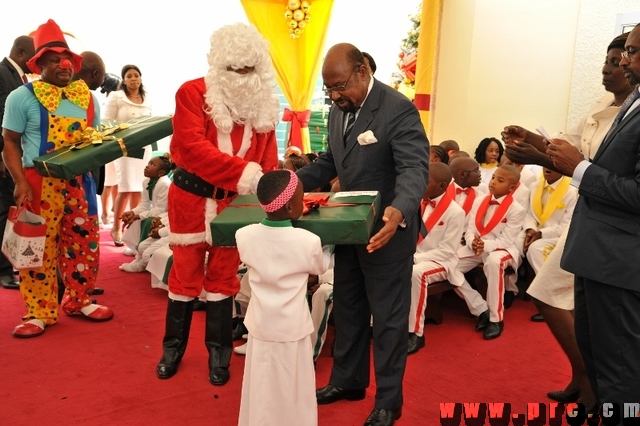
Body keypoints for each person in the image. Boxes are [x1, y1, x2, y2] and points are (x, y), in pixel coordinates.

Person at [296, 43, 429, 426]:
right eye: (329, 90)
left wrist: (400, 209)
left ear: (362, 70)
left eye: (340, 86)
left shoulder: (397, 108)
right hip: (351, 229)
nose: (336, 96)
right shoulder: (340, 110)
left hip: (388, 231)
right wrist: (290, 183)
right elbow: (329, 161)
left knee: (387, 320)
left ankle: (389, 401)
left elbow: (414, 169)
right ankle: (348, 381)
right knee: (350, 310)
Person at [501, 32, 633, 411]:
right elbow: (565, 149)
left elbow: (587, 166)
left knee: (610, 336)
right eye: (609, 61)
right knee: (573, 308)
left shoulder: (629, 114)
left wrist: (559, 160)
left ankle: (598, 387)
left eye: (620, 59)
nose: (611, 69)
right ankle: (585, 376)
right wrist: (533, 143)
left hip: (612, 230)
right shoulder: (601, 106)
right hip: (589, 222)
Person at [155, 23, 280, 387]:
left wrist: (266, 194)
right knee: (184, 277)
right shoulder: (192, 93)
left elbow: (268, 161)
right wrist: (247, 174)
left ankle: (219, 355)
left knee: (224, 280)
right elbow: (191, 149)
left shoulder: (264, 105)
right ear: (219, 66)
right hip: (191, 200)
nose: (242, 78)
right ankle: (172, 350)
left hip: (236, 206)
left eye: (249, 70)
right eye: (234, 70)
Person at [1, 19, 114, 338]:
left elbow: (95, 142)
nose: (63, 65)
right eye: (53, 59)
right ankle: (39, 311)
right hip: (38, 183)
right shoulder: (20, 97)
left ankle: (79, 300)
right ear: (39, 63)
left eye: (67, 59)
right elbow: (9, 141)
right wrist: (20, 181)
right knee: (36, 248)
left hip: (80, 185)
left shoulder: (89, 99)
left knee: (84, 244)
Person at [236, 169, 331, 426]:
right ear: (291, 206)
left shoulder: (243, 235)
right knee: (292, 383)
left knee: (261, 381)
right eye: (302, 199)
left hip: (260, 324)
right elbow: (321, 267)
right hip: (292, 327)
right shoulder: (308, 240)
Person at [451, 165, 526, 340]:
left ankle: (496, 319)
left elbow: (506, 240)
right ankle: (481, 308)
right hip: (477, 246)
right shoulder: (479, 200)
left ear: (512, 187)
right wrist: (472, 242)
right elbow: (470, 230)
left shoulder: (517, 209)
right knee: (449, 266)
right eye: (493, 177)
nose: (493, 182)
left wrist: (483, 245)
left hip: (503, 249)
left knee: (494, 262)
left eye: (500, 180)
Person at [408, 163, 465, 355]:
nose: (420, 182)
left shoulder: (456, 212)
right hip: (415, 256)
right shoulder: (417, 202)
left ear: (441, 186)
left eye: (427, 180)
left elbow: (447, 251)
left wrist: (415, 259)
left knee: (416, 274)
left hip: (441, 262)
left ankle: (416, 333)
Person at [103, 64, 152, 246]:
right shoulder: (116, 97)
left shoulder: (147, 98)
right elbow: (105, 122)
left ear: (141, 78)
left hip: (143, 148)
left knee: (138, 188)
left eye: (136, 75)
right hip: (124, 148)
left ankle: (134, 230)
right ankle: (116, 227)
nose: (133, 79)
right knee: (125, 188)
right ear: (124, 80)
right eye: (129, 76)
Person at [0, 35, 34, 290]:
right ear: (21, 52)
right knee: (3, 214)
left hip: (15, 158)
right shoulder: (2, 73)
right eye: (34, 57)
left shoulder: (21, 77)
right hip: (3, 158)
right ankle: (3, 270)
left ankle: (9, 265)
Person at [120, 153, 175, 272]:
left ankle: (140, 258)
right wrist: (132, 212)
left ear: (160, 172)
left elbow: (161, 209)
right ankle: (137, 249)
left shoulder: (164, 184)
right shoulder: (146, 182)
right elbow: (145, 203)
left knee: (146, 220)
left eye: (152, 164)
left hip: (166, 216)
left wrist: (138, 216)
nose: (147, 166)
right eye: (148, 163)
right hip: (158, 213)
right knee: (136, 219)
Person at [98, 72, 121, 226]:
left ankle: (112, 211)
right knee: (108, 182)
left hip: (118, 145)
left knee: (116, 181)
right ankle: (105, 213)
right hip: (108, 144)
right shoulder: (107, 104)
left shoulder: (119, 101)